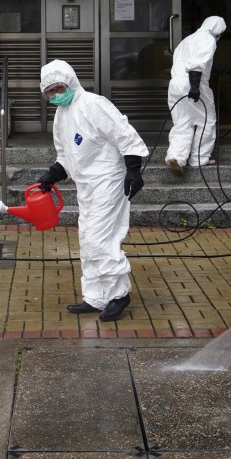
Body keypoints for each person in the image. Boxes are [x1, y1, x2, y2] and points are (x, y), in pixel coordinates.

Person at [36, 60, 149, 322]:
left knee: (99, 239)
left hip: (108, 181)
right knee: (87, 239)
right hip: (86, 185)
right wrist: (50, 177)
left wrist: (134, 168)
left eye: (59, 88)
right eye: (49, 91)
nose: (55, 95)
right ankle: (96, 296)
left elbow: (123, 133)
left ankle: (119, 294)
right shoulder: (61, 116)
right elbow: (66, 156)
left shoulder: (93, 105)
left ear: (71, 82)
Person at [165, 15, 227, 176]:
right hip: (192, 83)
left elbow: (187, 62)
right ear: (218, 29)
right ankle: (200, 158)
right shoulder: (208, 39)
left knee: (182, 122)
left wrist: (216, 70)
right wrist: (194, 86)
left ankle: (176, 157)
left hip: (175, 85)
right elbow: (197, 64)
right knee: (206, 120)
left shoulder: (187, 40)